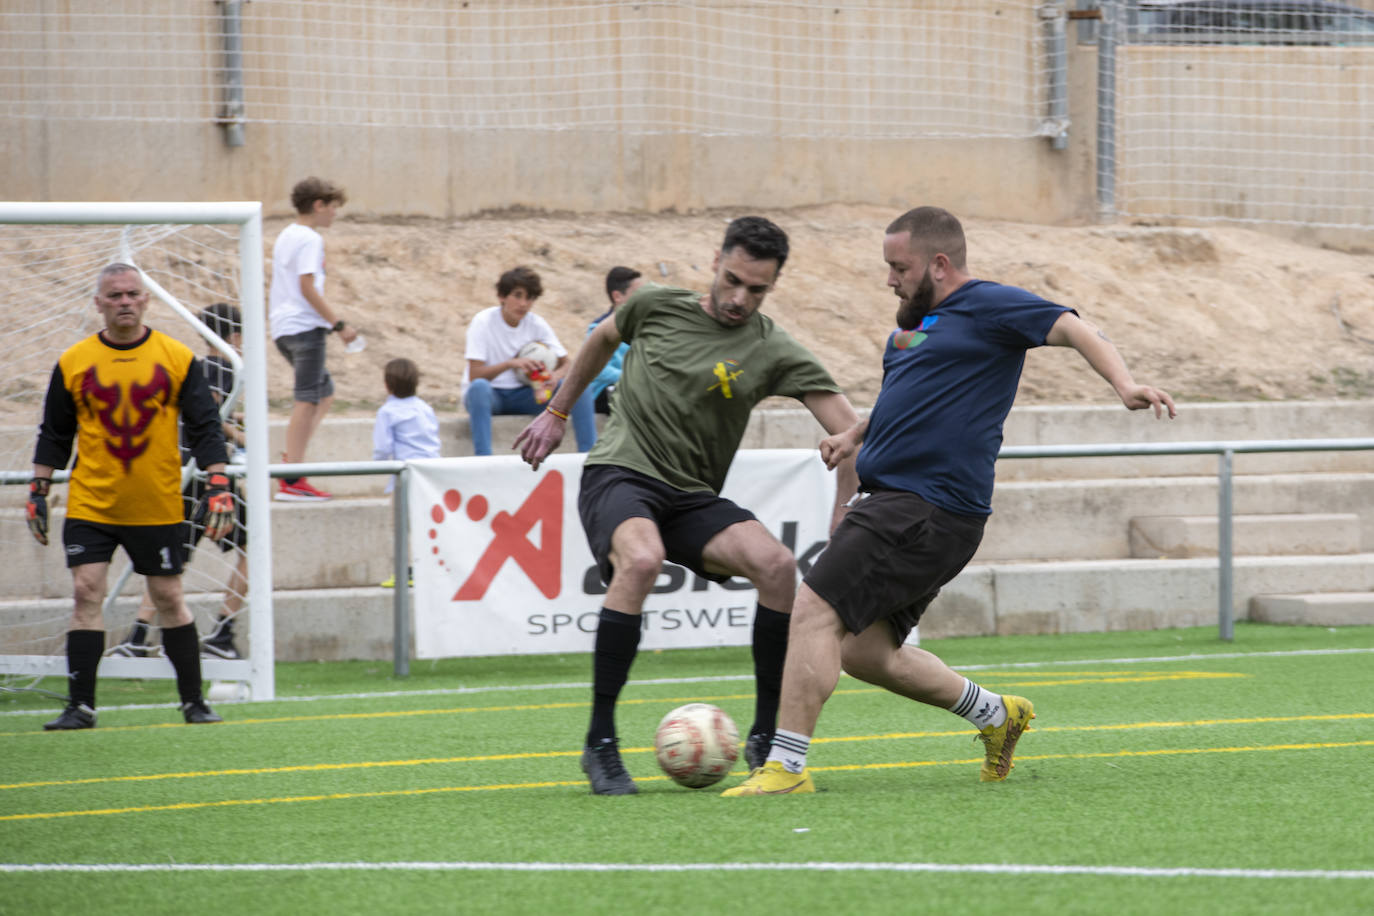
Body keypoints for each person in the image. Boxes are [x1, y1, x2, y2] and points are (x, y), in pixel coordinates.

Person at [721, 206, 1177, 797]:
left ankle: (785, 767)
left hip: (923, 506)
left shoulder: (989, 305)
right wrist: (854, 434)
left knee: (813, 607)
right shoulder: (913, 332)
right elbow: (902, 399)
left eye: (899, 267)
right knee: (865, 652)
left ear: (939, 264)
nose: (890, 279)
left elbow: (1072, 326)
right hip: (911, 507)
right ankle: (995, 714)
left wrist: (1125, 385)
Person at [514, 216, 861, 796]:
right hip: (619, 472)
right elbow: (600, 340)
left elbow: (851, 431)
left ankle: (765, 738)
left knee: (777, 568)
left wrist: (843, 512)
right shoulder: (652, 304)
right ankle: (600, 742)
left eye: (757, 290)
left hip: (691, 496)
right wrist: (554, 412)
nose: (740, 298)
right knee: (643, 560)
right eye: (733, 280)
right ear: (715, 262)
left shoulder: (772, 347)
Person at [25, 264, 236, 729]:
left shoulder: (178, 357)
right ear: (98, 303)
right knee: (86, 592)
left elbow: (205, 428)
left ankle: (193, 702)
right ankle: (80, 706)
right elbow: (54, 434)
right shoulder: (74, 361)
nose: (124, 301)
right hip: (91, 502)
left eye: (132, 294)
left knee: (167, 595)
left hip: (156, 502)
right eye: (114, 295)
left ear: (146, 301)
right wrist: (38, 489)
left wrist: (219, 483)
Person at [113, 302, 250, 661]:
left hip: (182, 468)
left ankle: (138, 636)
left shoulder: (197, 367)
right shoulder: (225, 366)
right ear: (234, 336)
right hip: (208, 473)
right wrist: (244, 438)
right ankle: (223, 633)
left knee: (174, 560)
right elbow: (209, 414)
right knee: (256, 548)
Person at [269, 176, 357, 501]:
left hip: (283, 327)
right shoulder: (309, 238)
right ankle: (291, 477)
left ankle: (293, 456)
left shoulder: (287, 235)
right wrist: (339, 324)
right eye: (333, 207)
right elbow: (307, 287)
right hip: (304, 328)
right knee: (307, 399)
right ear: (318, 205)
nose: (335, 214)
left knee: (325, 394)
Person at [463, 266, 597, 456]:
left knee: (581, 386)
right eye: (517, 296)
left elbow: (567, 364)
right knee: (478, 387)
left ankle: (588, 455)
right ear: (502, 296)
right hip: (492, 397)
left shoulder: (536, 323)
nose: (523, 304)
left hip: (529, 395)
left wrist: (554, 376)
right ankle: (483, 458)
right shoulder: (482, 321)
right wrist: (511, 363)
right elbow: (474, 374)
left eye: (530, 298)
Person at [373, 357, 441, 588]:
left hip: (404, 475)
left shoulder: (387, 411)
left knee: (401, 527)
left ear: (387, 385)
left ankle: (405, 572)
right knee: (426, 524)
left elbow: (382, 448)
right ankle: (429, 569)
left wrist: (379, 464)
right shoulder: (425, 408)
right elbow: (433, 439)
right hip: (430, 473)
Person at [586, 266, 644, 414]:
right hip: (603, 393)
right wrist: (631, 378)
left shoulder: (642, 328)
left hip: (631, 388)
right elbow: (598, 370)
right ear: (617, 296)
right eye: (638, 293)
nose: (644, 298)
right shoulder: (597, 329)